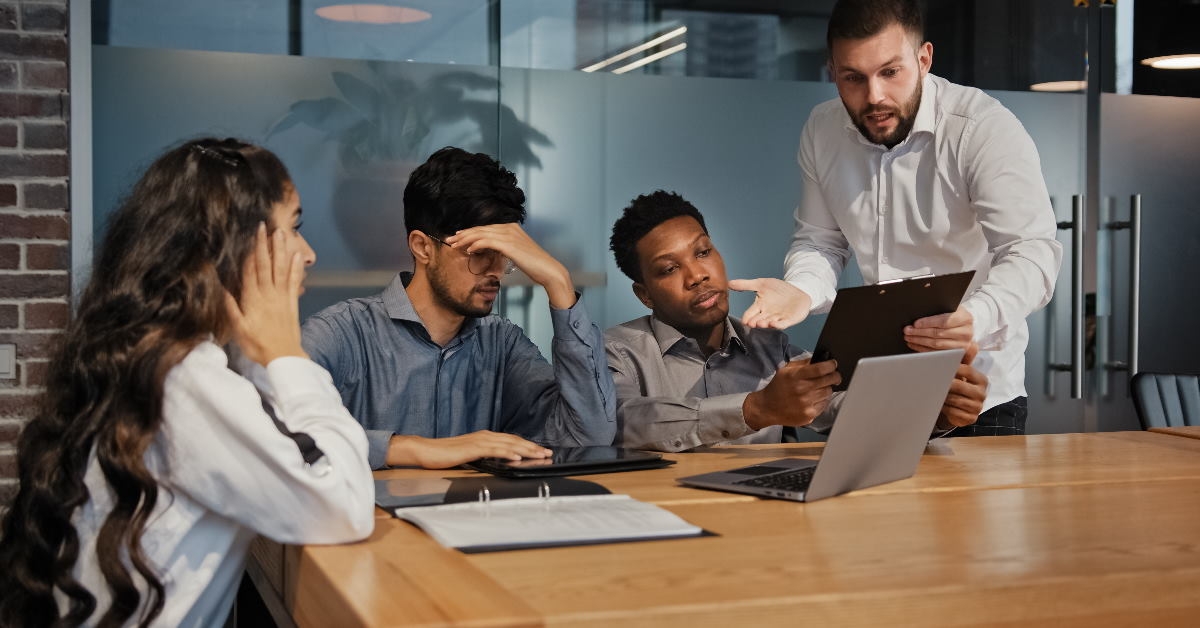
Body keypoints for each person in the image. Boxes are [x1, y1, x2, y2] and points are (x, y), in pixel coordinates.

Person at [0, 138, 374, 627]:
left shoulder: (152, 354)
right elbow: (341, 505)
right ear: (231, 247)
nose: (309, 254)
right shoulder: (182, 376)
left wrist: (261, 349)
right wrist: (287, 354)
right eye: (294, 229)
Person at [732, 0, 1062, 435]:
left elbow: (1032, 251)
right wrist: (802, 291)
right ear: (833, 71)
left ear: (924, 58)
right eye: (853, 78)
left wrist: (975, 316)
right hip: (881, 387)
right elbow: (820, 241)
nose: (874, 97)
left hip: (975, 395)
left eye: (890, 72)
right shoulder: (822, 129)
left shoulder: (981, 128)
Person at [302, 147, 616, 470]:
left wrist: (559, 282)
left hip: (476, 517)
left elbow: (589, 437)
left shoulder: (501, 343)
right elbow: (274, 428)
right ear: (423, 247)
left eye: (505, 255)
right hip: (371, 520)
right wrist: (413, 449)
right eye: (480, 253)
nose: (496, 270)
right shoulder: (341, 333)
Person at [606, 191, 986, 452]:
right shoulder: (616, 352)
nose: (697, 275)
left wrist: (936, 412)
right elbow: (622, 424)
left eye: (703, 252)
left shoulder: (769, 346)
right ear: (645, 294)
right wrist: (755, 409)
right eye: (670, 268)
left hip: (767, 522)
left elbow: (840, 406)